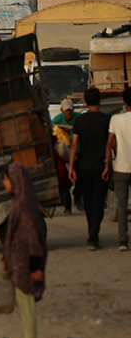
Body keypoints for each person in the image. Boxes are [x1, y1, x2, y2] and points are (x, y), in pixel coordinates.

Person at [0, 161, 48, 338]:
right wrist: (5, 258)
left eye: (5, 179)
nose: (4, 183)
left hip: (27, 266)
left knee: (27, 310)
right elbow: (12, 235)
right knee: (23, 308)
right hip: (19, 263)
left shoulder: (25, 206)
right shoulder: (20, 202)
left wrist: (36, 268)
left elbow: (35, 238)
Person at [69, 87, 111, 249]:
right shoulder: (106, 119)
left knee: (88, 201)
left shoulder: (79, 121)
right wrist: (108, 164)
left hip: (83, 166)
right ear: (100, 101)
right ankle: (93, 235)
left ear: (85, 102)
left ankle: (92, 234)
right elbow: (109, 144)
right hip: (100, 166)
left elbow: (74, 145)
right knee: (99, 202)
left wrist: (71, 167)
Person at [105, 87, 131, 251]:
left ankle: (123, 241)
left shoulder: (116, 119)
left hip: (121, 167)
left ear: (124, 102)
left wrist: (108, 164)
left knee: (122, 206)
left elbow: (109, 143)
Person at [50, 98, 78, 214]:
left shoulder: (78, 118)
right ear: (62, 110)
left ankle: (72, 203)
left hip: (75, 151)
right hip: (61, 155)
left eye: (70, 110)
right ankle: (65, 205)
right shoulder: (57, 120)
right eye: (66, 110)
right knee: (61, 177)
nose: (68, 112)